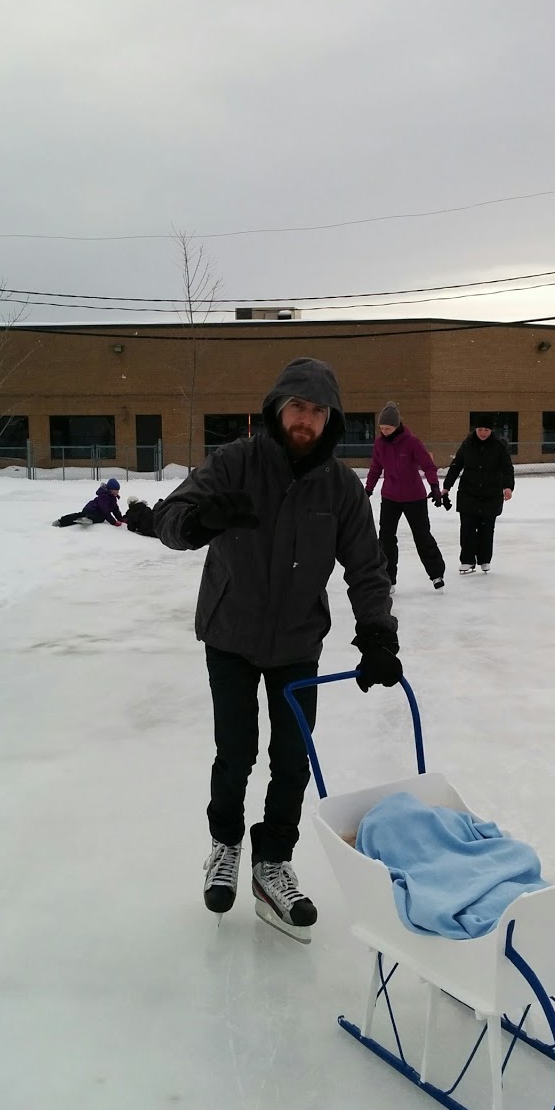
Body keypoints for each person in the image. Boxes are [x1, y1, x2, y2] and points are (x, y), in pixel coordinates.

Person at [155, 357, 402, 942]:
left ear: (331, 420)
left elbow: (367, 568)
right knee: (235, 751)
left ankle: (272, 862)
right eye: (298, 407)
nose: (306, 420)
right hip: (231, 633)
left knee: (292, 758)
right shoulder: (236, 463)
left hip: (296, 641)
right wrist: (197, 523)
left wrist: (378, 635)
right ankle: (225, 846)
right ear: (277, 409)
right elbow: (169, 516)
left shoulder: (340, 487)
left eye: (318, 411)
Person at [364, 401, 446, 591]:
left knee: (422, 535)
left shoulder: (412, 442)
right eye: (382, 428)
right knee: (386, 538)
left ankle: (436, 574)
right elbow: (375, 468)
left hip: (414, 497)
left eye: (388, 428)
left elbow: (428, 465)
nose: (384, 431)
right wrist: (368, 489)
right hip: (390, 497)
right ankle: (388, 577)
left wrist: (434, 486)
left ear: (397, 426)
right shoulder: (379, 444)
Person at [442, 414, 515, 574]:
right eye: (480, 429)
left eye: (486, 429)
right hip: (469, 492)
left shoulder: (499, 446)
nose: (482, 432)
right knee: (467, 528)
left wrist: (508, 487)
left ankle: (484, 559)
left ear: (491, 430)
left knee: (486, 529)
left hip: (491, 493)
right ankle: (467, 560)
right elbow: (456, 466)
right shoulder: (467, 445)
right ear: (475, 429)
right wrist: (447, 487)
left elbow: (507, 468)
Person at [52, 478, 125, 528]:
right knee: (80, 516)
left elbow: (116, 510)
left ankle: (87, 518)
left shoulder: (112, 499)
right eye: (116, 490)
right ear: (111, 490)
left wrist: (121, 519)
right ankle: (61, 521)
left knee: (100, 518)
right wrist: (114, 522)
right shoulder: (103, 497)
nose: (118, 492)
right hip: (91, 509)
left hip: (98, 514)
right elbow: (105, 511)